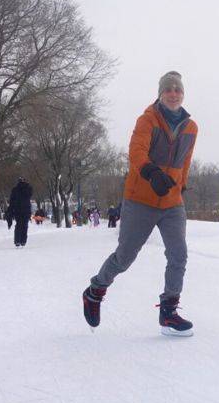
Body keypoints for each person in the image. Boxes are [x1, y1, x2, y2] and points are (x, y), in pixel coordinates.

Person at [82, 71, 199, 336]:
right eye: (168, 89)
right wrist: (151, 172)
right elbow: (136, 151)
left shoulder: (191, 128)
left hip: (171, 202)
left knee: (178, 254)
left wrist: (181, 185)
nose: (173, 94)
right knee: (124, 258)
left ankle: (169, 311)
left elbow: (187, 160)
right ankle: (95, 291)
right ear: (160, 93)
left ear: (182, 94)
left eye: (177, 90)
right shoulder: (148, 120)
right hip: (141, 200)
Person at [8, 177, 33, 247]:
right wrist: (11, 209)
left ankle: (22, 241)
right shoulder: (15, 189)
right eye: (21, 180)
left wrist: (25, 186)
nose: (22, 181)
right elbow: (12, 200)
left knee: (23, 225)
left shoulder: (28, 188)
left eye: (24, 180)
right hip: (18, 211)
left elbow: (29, 195)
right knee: (20, 225)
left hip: (25, 211)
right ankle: (18, 241)